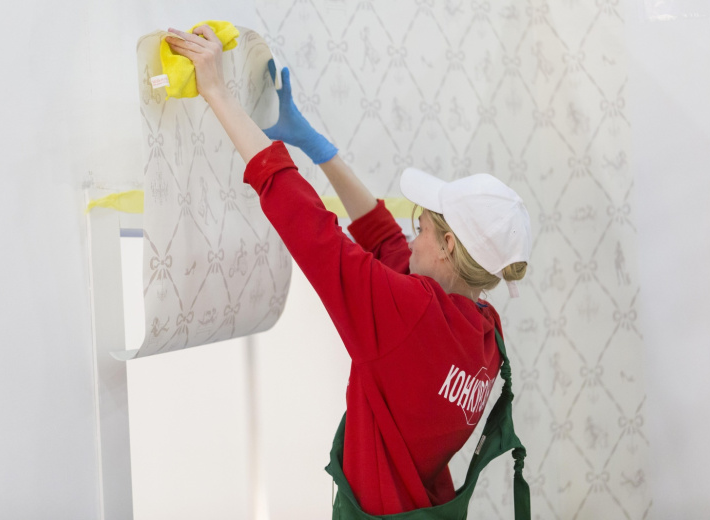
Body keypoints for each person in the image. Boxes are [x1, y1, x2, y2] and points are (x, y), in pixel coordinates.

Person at [165, 26, 532, 519]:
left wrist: (217, 91)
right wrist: (319, 149)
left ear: (448, 247)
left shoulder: (409, 313)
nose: (410, 237)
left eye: (420, 228)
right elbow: (385, 242)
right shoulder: (481, 331)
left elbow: (311, 229)